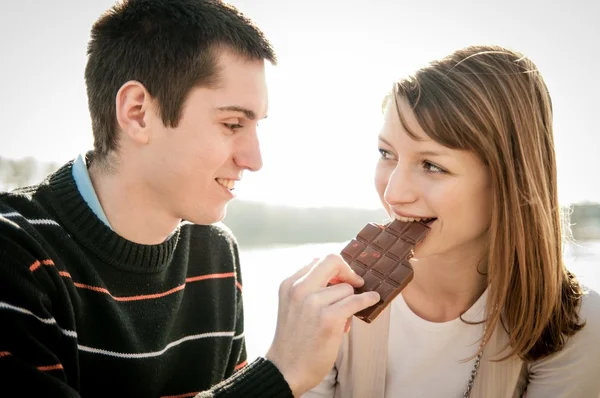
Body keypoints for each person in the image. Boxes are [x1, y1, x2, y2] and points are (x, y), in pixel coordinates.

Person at [0, 1, 380, 397]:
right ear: (137, 113)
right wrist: (282, 373)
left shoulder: (213, 252)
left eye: (254, 126)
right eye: (232, 124)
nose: (254, 160)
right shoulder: (13, 255)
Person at [303, 45, 600, 398]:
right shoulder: (328, 299)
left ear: (507, 182)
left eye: (433, 165)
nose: (394, 193)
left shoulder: (573, 323)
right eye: (386, 154)